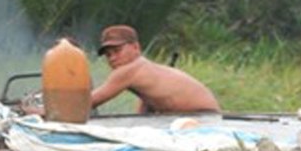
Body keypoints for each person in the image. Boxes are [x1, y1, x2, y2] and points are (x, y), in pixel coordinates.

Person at [90, 25, 221, 114]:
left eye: (117, 51)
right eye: (108, 55)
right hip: (206, 114)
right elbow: (148, 102)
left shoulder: (128, 70)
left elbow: (90, 102)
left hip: (201, 116)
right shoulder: (144, 68)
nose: (113, 58)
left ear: (136, 47)